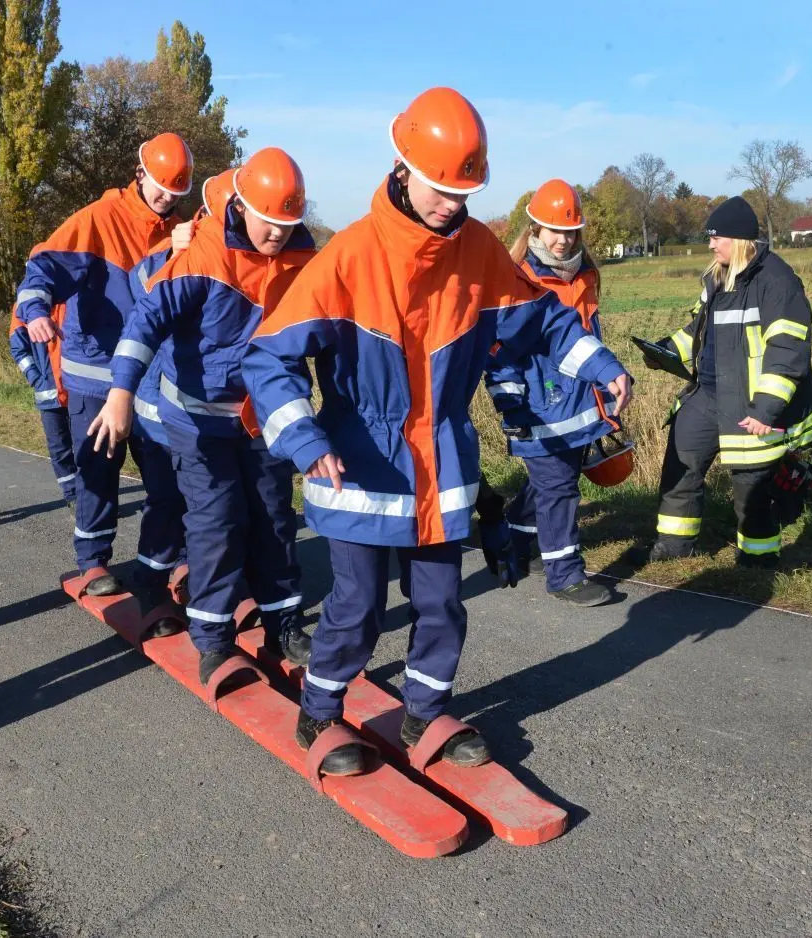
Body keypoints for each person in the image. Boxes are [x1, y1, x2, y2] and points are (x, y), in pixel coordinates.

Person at [243, 89, 633, 776]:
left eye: (464, 191)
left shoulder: (479, 249)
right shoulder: (348, 258)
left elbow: (540, 320)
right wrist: (304, 440)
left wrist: (597, 361)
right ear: (402, 168)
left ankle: (424, 709)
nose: (453, 204)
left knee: (441, 602)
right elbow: (268, 356)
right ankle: (320, 713)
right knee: (356, 606)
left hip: (443, 458)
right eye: (440, 189)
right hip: (360, 461)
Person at [93, 149, 316, 673]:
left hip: (261, 415)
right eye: (269, 224)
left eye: (288, 225)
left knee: (273, 516)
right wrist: (121, 391)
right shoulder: (204, 256)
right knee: (217, 519)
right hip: (196, 418)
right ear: (241, 206)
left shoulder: (304, 259)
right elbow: (145, 322)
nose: (278, 236)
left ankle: (283, 619)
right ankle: (212, 637)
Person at [14, 132, 193, 596]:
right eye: (159, 188)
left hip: (150, 378)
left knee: (165, 477)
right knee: (98, 472)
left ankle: (167, 560)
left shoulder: (180, 232)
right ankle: (93, 561)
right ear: (140, 174)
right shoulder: (99, 219)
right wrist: (34, 311)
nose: (165, 199)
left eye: (175, 194)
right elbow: (44, 266)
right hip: (95, 373)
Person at [639, 196, 812, 569]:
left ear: (738, 240)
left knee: (750, 486)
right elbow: (698, 332)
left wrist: (766, 410)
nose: (710, 245)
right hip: (705, 394)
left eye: (715, 238)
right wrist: (662, 352)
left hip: (750, 404)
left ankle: (758, 561)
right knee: (680, 465)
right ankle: (674, 546)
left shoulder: (778, 282)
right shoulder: (717, 277)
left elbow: (787, 351)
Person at [487, 179, 622, 606]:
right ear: (534, 229)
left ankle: (517, 531)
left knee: (554, 481)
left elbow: (585, 336)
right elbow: (500, 351)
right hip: (536, 405)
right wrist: (510, 403)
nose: (562, 240)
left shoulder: (584, 273)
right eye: (553, 230)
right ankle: (565, 575)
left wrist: (605, 381)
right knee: (559, 488)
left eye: (569, 231)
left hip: (580, 400)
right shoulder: (516, 278)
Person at [118, 172, 236, 613]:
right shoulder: (182, 251)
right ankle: (148, 583)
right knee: (167, 498)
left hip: (199, 414)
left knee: (203, 503)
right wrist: (171, 249)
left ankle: (191, 577)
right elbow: (143, 289)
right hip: (159, 407)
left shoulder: (233, 260)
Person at [8, 294, 77, 508]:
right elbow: (18, 348)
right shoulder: (23, 306)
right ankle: (73, 496)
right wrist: (36, 378)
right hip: (49, 392)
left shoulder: (75, 295)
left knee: (89, 447)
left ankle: (94, 499)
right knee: (60, 448)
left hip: (80, 390)